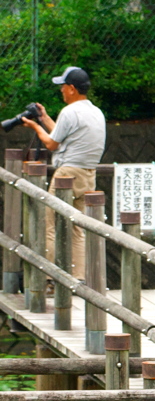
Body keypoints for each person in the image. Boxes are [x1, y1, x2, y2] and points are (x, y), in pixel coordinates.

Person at [22, 66, 106, 280]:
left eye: (62, 87)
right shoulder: (95, 111)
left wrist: (35, 127)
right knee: (78, 228)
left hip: (67, 175)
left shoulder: (70, 112)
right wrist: (45, 118)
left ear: (71, 88)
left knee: (49, 224)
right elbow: (61, 133)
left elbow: (51, 143)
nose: (60, 91)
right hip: (88, 174)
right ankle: (78, 277)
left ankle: (50, 277)